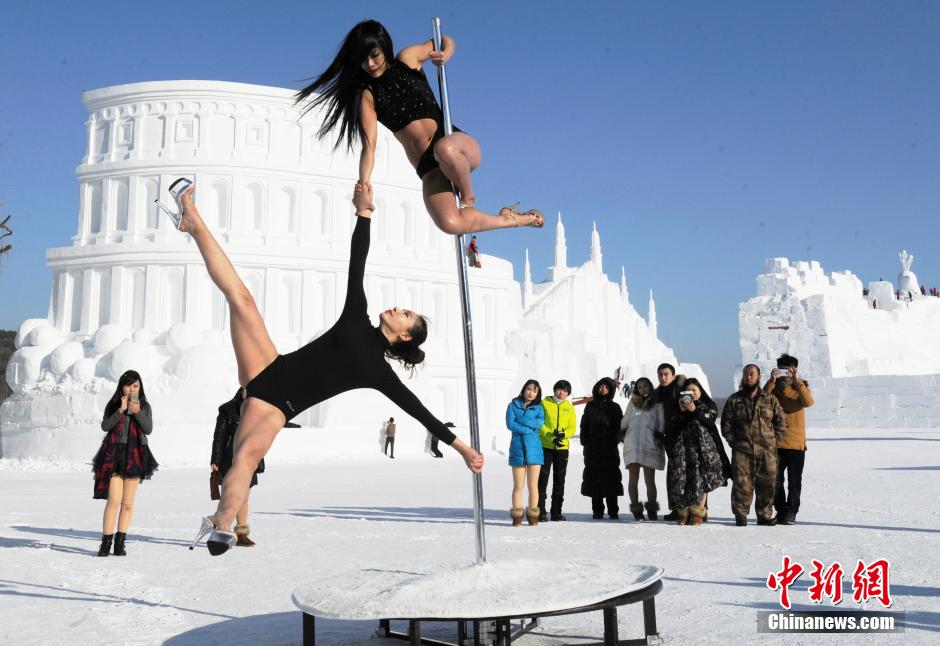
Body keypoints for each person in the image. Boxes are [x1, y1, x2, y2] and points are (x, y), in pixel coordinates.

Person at [165, 180, 483, 555]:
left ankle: (221, 522)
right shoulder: (355, 318)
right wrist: (364, 213)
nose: (398, 308)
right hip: (268, 367)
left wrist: (461, 448)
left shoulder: (377, 373)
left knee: (246, 460)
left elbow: (419, 411)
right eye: (403, 307)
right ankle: (192, 221)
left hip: (275, 409)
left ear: (405, 337)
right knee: (242, 298)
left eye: (406, 314)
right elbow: (357, 261)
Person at [295, 20, 544, 236]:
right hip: (428, 169)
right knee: (449, 222)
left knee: (444, 148)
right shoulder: (368, 96)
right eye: (363, 60)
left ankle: (468, 197)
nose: (370, 64)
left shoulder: (407, 59)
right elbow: (369, 146)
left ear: (385, 48)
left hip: (456, 146)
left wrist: (447, 52)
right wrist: (363, 186)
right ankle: (514, 219)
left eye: (375, 55)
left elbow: (442, 39)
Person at [92, 370, 158, 557]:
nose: (131, 389)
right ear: (122, 386)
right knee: (113, 500)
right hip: (115, 453)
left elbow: (148, 429)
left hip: (136, 453)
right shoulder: (113, 404)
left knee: (128, 503)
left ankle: (120, 544)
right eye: (128, 385)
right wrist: (120, 410)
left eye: (135, 385)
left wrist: (137, 412)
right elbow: (105, 426)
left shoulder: (144, 406)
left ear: (140, 387)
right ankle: (105, 543)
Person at [721, 364, 787, 526]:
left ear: (759, 377)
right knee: (742, 484)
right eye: (746, 374)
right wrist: (734, 443)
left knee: (767, 484)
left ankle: (764, 515)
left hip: (767, 452)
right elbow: (725, 425)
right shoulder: (734, 400)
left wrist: (774, 442)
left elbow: (781, 422)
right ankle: (741, 515)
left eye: (752, 373)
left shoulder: (769, 399)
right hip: (742, 451)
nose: (748, 376)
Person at [666, 378, 730, 525]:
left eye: (694, 390)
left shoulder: (708, 405)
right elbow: (672, 427)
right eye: (689, 391)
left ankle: (699, 512)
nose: (692, 394)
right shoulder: (678, 407)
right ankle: (683, 511)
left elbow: (710, 419)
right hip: (683, 450)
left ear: (701, 391)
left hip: (704, 449)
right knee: (681, 478)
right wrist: (681, 412)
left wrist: (695, 410)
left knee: (703, 477)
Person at [764, 354, 814, 525]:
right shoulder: (773, 388)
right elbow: (761, 401)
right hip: (776, 442)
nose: (786, 372)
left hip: (796, 443)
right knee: (775, 480)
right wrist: (772, 381)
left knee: (794, 481)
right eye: (783, 368)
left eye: (789, 368)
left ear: (794, 369)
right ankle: (781, 510)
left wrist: (796, 380)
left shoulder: (801, 387)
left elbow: (808, 402)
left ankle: (791, 511)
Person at [211, 390, 265, 547]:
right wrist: (215, 459)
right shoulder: (227, 410)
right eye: (247, 390)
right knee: (233, 495)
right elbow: (219, 437)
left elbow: (261, 436)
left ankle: (241, 534)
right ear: (241, 391)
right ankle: (219, 526)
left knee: (245, 497)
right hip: (231, 459)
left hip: (250, 459)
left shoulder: (258, 410)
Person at [620, 377, 665, 521]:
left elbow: (662, 422)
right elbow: (625, 421)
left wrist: (659, 436)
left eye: (645, 386)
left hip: (649, 444)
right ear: (636, 389)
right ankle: (636, 510)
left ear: (650, 387)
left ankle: (652, 510)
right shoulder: (632, 402)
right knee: (633, 479)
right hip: (633, 444)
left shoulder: (658, 402)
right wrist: (623, 434)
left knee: (649, 480)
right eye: (640, 387)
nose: (643, 389)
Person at [580, 377, 624, 520]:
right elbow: (584, 424)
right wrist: (585, 440)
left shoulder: (615, 407)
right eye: (601, 386)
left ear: (610, 389)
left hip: (609, 448)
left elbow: (619, 427)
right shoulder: (590, 406)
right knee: (594, 479)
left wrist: (614, 440)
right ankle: (597, 510)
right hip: (592, 448)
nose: (603, 389)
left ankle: (613, 510)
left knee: (611, 478)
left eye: (606, 387)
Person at [506, 380, 546, 526]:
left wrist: (521, 421)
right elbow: (510, 423)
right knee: (518, 486)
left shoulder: (539, 408)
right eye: (529, 389)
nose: (531, 393)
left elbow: (539, 423)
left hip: (534, 450)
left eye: (534, 391)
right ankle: (517, 516)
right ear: (524, 390)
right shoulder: (512, 405)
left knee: (533, 486)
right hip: (517, 450)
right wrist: (527, 429)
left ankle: (533, 516)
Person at [536, 379, 577, 522]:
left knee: (560, 480)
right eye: (560, 390)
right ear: (554, 390)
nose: (561, 393)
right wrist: (549, 434)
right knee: (542, 480)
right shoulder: (544, 403)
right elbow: (539, 423)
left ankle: (556, 512)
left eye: (565, 391)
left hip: (562, 448)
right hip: (545, 446)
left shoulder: (569, 407)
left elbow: (572, 427)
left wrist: (563, 434)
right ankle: (540, 512)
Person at [654, 363, 687, 521]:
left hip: (684, 437)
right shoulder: (658, 393)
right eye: (660, 374)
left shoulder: (682, 389)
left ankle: (696, 509)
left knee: (690, 474)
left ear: (673, 376)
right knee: (674, 475)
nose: (663, 377)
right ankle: (677, 509)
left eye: (666, 374)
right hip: (669, 438)